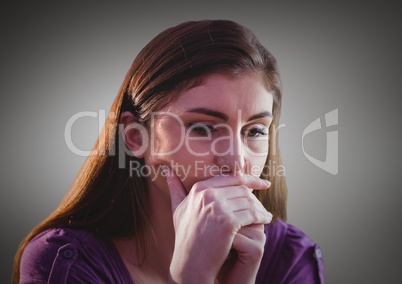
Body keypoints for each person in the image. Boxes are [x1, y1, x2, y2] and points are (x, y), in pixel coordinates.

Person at [13, 20, 325, 283]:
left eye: (255, 131)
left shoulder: (290, 259)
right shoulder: (65, 263)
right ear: (136, 138)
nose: (236, 161)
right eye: (202, 128)